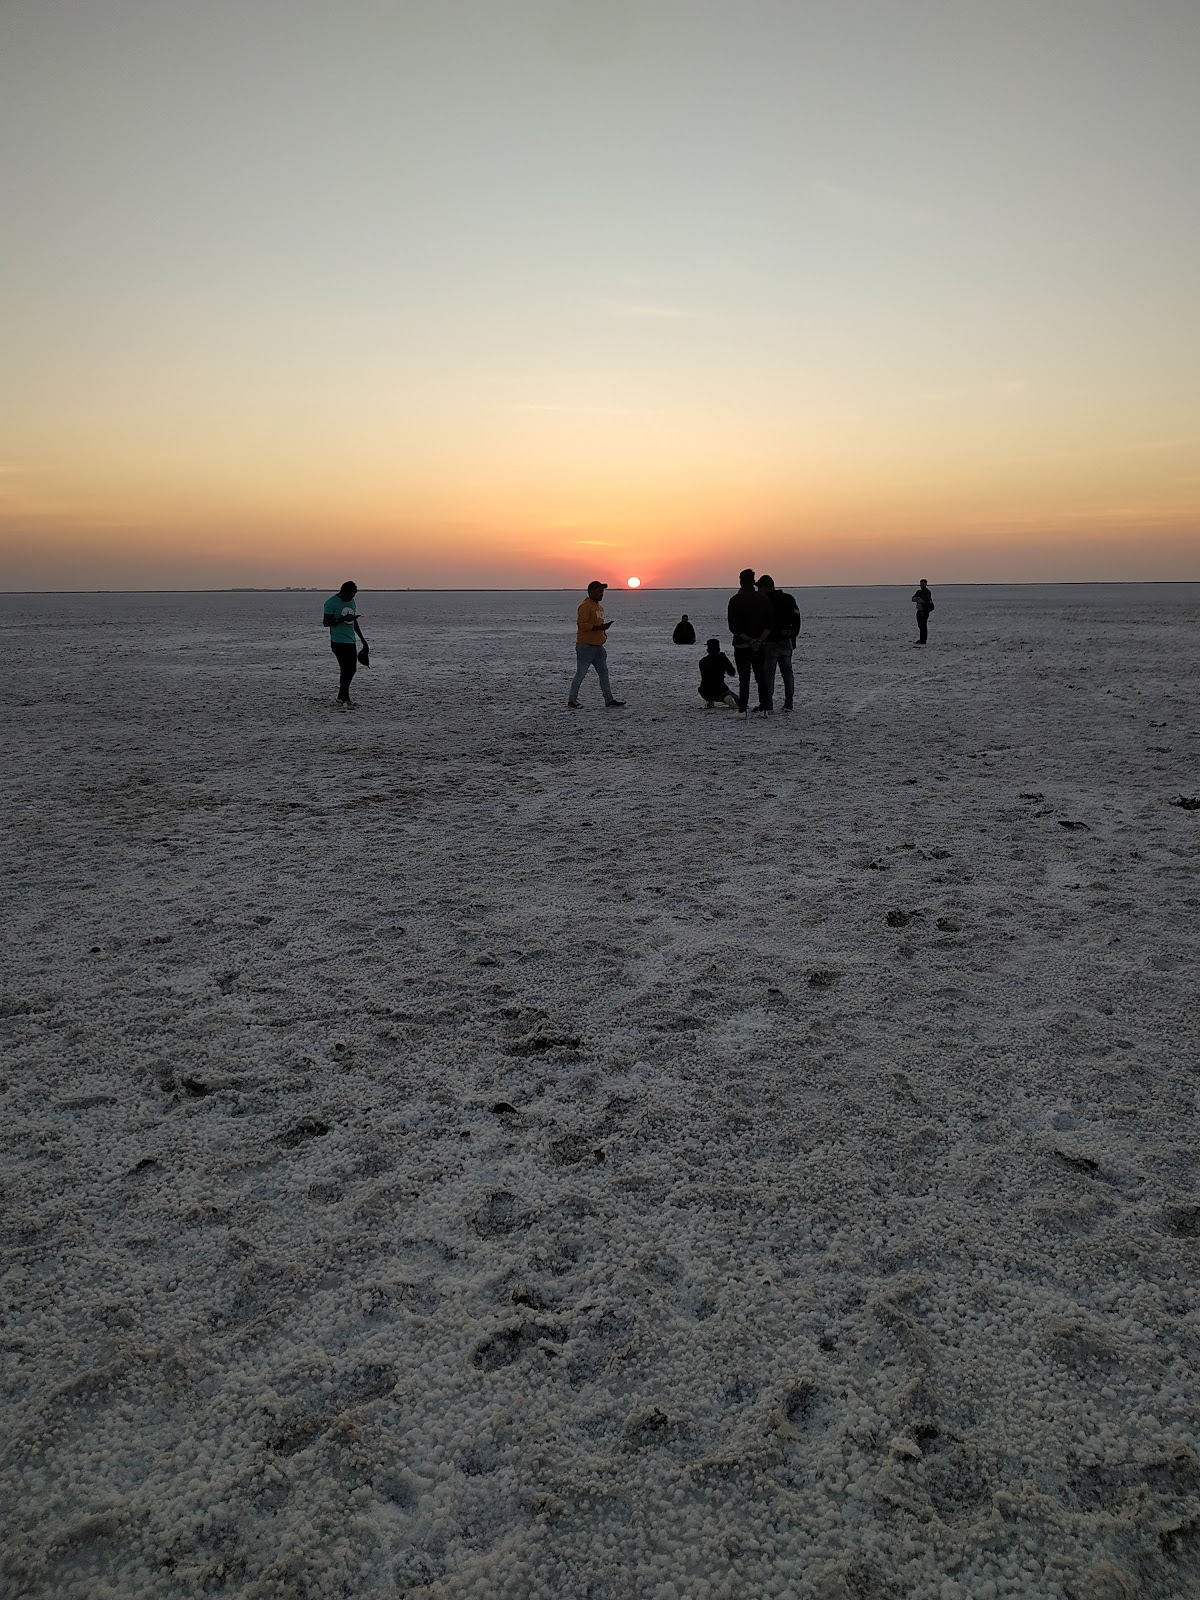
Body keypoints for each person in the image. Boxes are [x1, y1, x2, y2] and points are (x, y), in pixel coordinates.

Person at [568, 581, 626, 708]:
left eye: (602, 591)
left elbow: (598, 625)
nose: (602, 594)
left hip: (598, 647)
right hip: (585, 647)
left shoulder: (599, 608)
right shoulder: (585, 606)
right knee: (581, 673)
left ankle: (608, 699)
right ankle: (572, 700)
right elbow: (582, 624)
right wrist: (599, 628)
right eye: (599, 591)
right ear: (591, 591)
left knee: (604, 673)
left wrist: (603, 633)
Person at [727, 568, 774, 714]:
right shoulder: (764, 599)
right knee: (761, 677)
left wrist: (750, 640)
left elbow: (734, 627)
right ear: (753, 581)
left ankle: (742, 710)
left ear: (741, 582)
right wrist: (759, 640)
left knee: (744, 679)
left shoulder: (735, 600)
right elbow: (769, 624)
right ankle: (764, 708)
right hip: (760, 645)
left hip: (742, 645)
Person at [757, 575, 801, 713]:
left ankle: (769, 704)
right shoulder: (788, 599)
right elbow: (797, 619)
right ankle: (789, 703)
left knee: (769, 675)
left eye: (759, 588)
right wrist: (793, 636)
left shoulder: (765, 601)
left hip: (770, 643)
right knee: (787, 674)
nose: (758, 591)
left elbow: (765, 622)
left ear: (765, 587)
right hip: (786, 642)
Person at [322, 581, 367, 707]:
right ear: (343, 592)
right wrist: (342, 619)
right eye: (349, 596)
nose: (351, 599)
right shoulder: (331, 603)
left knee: (352, 669)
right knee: (345, 669)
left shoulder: (352, 602)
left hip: (350, 641)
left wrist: (362, 639)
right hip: (338, 641)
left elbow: (354, 622)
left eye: (353, 596)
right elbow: (326, 622)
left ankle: (342, 696)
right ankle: (344, 697)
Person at [698, 639, 738, 708]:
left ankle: (710, 700)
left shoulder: (702, 661)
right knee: (738, 700)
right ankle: (726, 698)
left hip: (705, 691)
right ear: (718, 649)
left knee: (706, 684)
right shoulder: (722, 659)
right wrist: (726, 660)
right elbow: (732, 673)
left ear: (708, 650)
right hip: (720, 690)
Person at [912, 579, 935, 645]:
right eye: (921, 584)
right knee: (920, 625)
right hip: (919, 611)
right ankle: (921, 639)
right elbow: (913, 598)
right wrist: (918, 599)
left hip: (924, 611)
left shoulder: (927, 592)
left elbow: (926, 600)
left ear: (926, 584)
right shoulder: (919, 591)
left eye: (923, 584)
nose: (922, 585)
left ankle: (923, 640)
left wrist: (920, 599)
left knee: (923, 625)